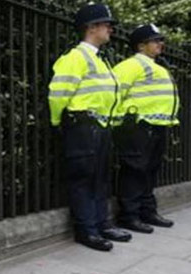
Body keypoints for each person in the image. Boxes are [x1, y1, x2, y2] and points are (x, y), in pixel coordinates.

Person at [48, 3, 131, 251]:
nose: (110, 29)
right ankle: (86, 230)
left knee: (100, 178)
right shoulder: (75, 57)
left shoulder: (99, 59)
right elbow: (58, 93)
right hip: (83, 124)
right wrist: (56, 121)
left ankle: (101, 224)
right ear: (91, 27)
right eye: (106, 25)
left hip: (99, 126)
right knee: (83, 179)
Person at [113, 24, 179, 233]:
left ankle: (147, 211)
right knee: (134, 170)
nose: (161, 44)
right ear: (141, 46)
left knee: (150, 170)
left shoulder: (157, 66)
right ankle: (129, 216)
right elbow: (114, 93)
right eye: (156, 40)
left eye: (161, 40)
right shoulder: (130, 66)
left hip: (156, 125)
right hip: (137, 126)